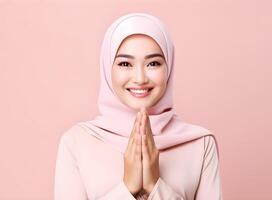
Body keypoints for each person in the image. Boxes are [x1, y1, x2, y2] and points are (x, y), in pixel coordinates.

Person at [54, 12, 223, 200]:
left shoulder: (200, 144)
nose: (140, 78)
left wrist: (154, 187)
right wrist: (127, 189)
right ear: (107, 67)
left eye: (153, 63)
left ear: (169, 67)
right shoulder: (77, 142)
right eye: (125, 63)